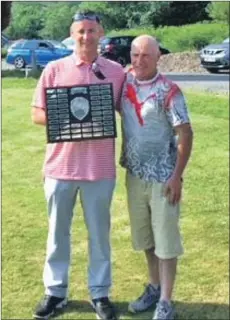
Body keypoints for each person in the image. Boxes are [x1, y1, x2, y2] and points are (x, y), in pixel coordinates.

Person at [31, 11, 125, 320]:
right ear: (73, 35)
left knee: (99, 235)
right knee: (58, 235)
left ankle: (100, 293)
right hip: (60, 168)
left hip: (99, 170)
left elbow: (131, 110)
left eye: (92, 30)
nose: (86, 36)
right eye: (81, 31)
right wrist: (70, 119)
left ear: (101, 33)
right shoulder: (54, 69)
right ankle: (55, 292)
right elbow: (37, 114)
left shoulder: (115, 72)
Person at [120, 35, 193, 320]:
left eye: (146, 56)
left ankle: (165, 300)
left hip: (164, 178)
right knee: (146, 239)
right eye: (135, 55)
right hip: (135, 175)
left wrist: (177, 176)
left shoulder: (169, 91)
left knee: (165, 240)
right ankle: (153, 286)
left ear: (158, 57)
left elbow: (185, 133)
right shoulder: (124, 84)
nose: (139, 61)